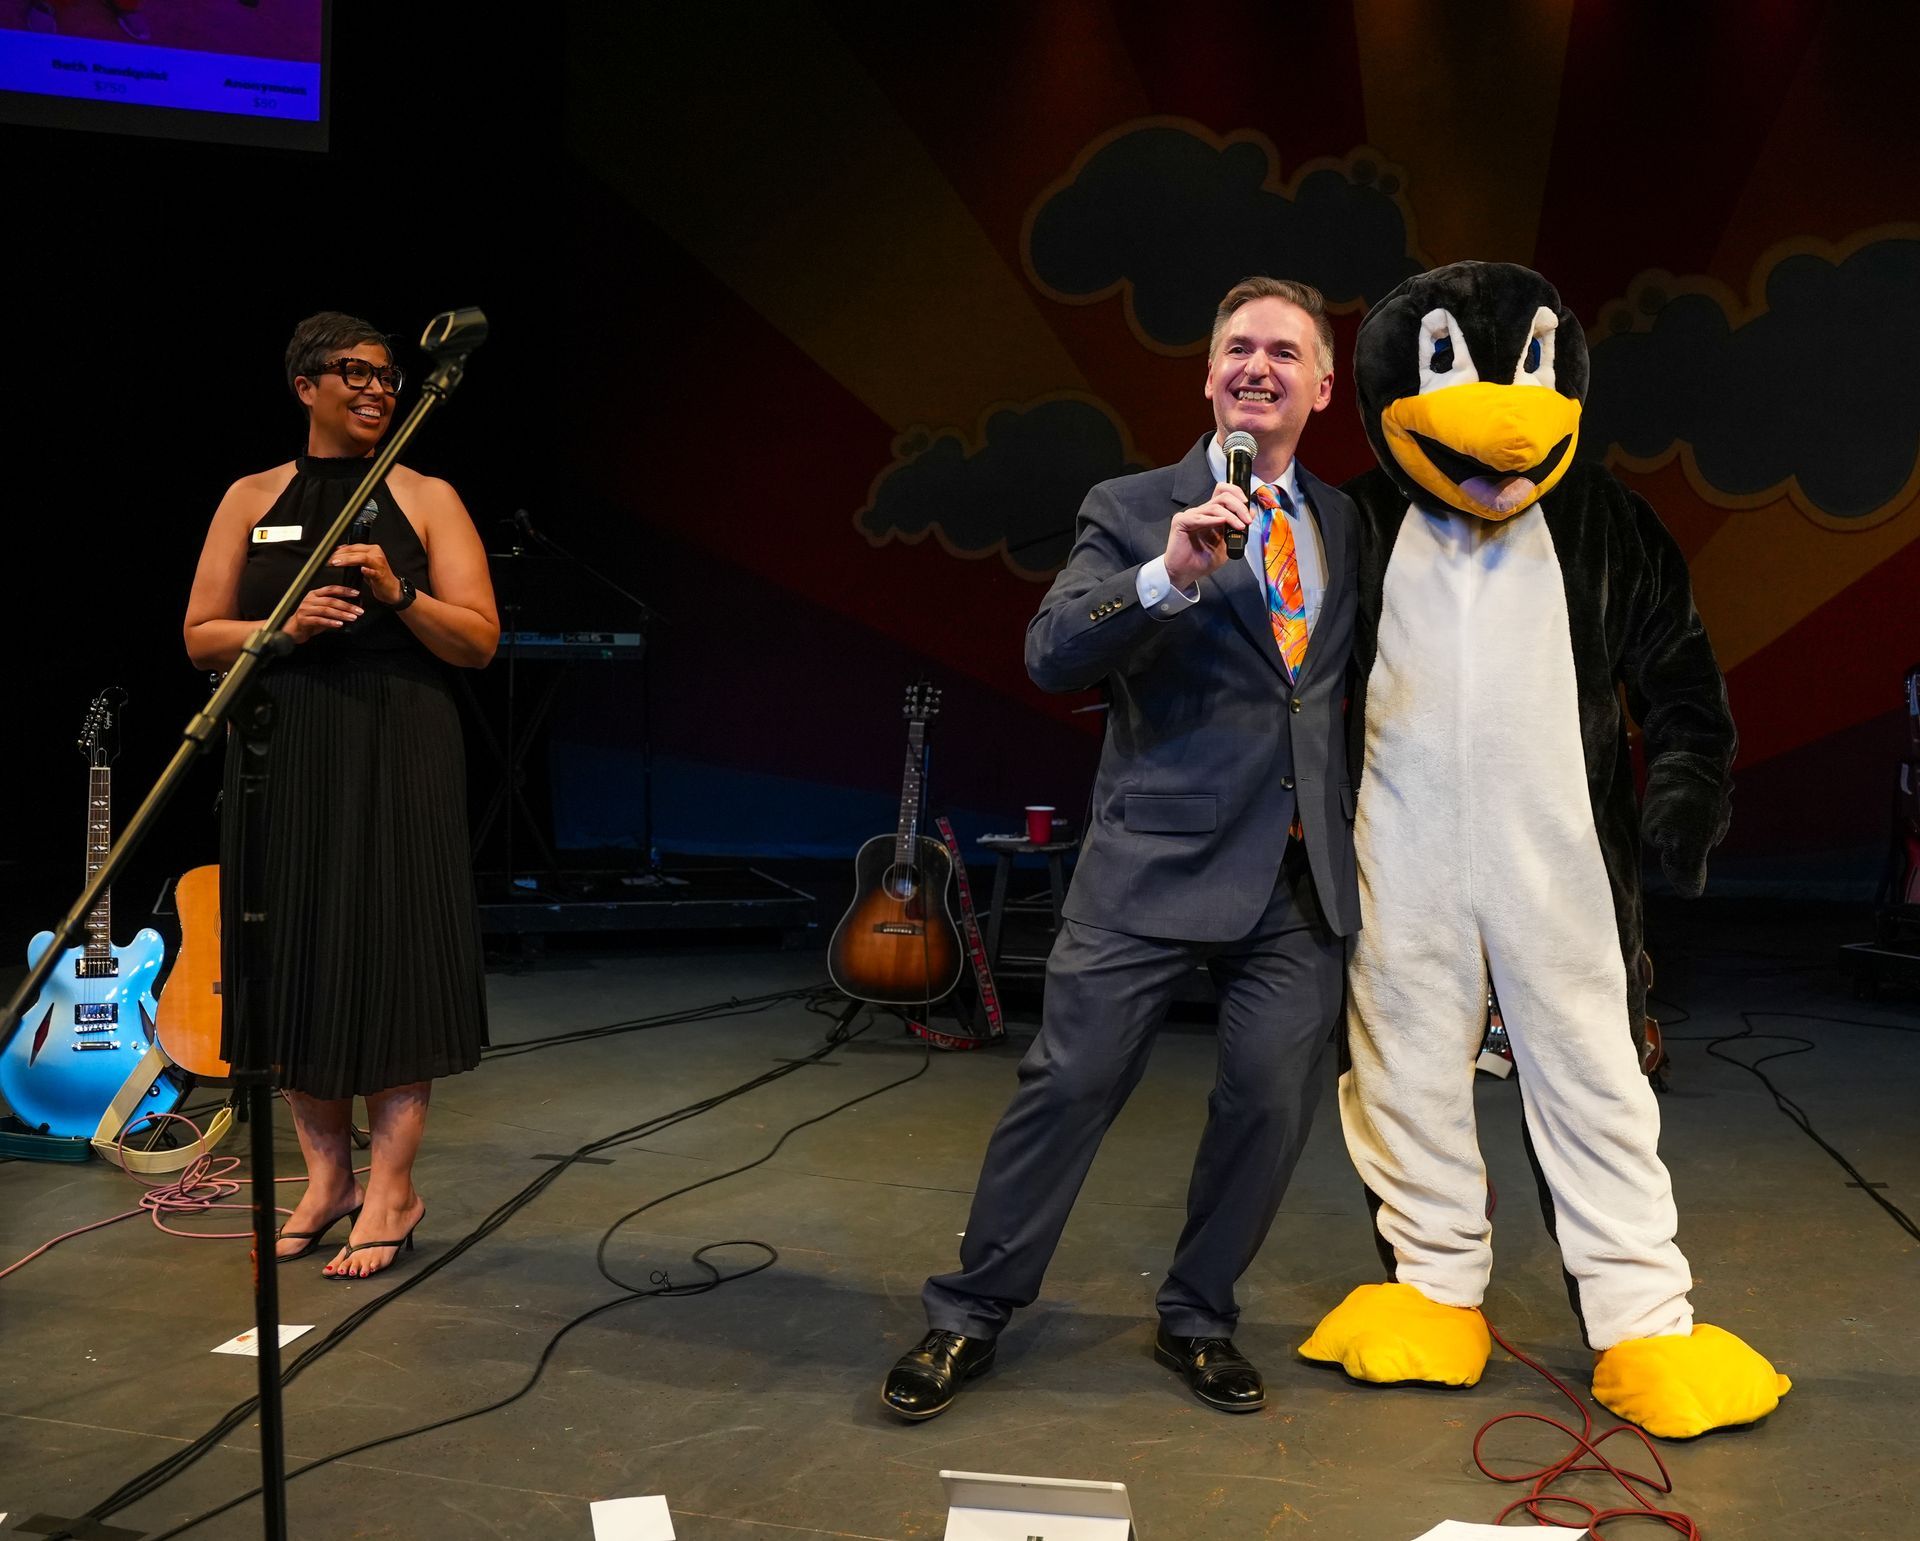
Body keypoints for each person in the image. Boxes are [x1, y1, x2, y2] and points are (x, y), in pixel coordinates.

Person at [881, 277, 1362, 1420]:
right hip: (1152, 864)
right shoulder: (1135, 503)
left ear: (1323, 386)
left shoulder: (1349, 524)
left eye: (1283, 351)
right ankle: (968, 1314)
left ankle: (1198, 1315)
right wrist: (1169, 576)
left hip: (1300, 878)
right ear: (1206, 376)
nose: (1257, 366)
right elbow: (1053, 652)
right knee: (1071, 1085)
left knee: (1267, 1106)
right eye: (1236, 347)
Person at [183, 311, 498, 1279]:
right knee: (292, 952)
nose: (377, 388)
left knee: (393, 946)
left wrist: (396, 593)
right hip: (288, 747)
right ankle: (327, 1179)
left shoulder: (429, 497)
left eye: (388, 376)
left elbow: (479, 640)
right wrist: (282, 629)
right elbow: (201, 634)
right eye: (354, 372)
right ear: (305, 383)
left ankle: (394, 1184)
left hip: (401, 745)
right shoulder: (250, 495)